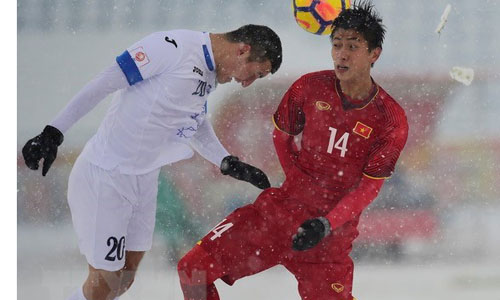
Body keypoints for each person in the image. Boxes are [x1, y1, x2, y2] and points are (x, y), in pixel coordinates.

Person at [21, 24, 282, 300]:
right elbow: (106, 81)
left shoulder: (209, 75)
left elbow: (195, 123)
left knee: (125, 279)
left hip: (144, 180)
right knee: (105, 281)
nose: (247, 83)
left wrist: (228, 162)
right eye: (255, 74)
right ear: (243, 50)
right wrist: (54, 131)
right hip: (107, 175)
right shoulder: (173, 47)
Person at [177, 2, 409, 300]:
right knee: (192, 270)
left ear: (374, 53)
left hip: (327, 239)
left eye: (353, 46)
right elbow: (281, 135)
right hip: (278, 215)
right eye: (337, 44)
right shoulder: (309, 87)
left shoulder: (390, 118)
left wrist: (325, 223)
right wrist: (299, 189)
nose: (342, 53)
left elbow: (369, 188)